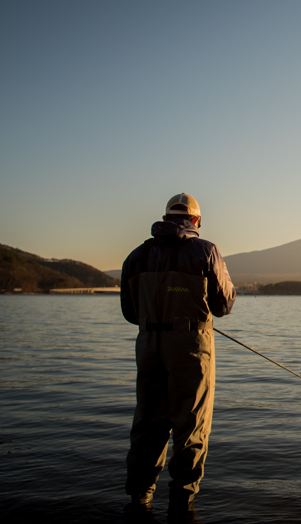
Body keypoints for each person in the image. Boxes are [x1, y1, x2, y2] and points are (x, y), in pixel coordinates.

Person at [120, 193, 236, 517]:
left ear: (165, 218)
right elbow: (224, 305)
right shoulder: (205, 251)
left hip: (148, 347)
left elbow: (129, 312)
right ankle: (182, 503)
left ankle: (140, 499)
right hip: (191, 349)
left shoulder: (136, 257)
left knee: (148, 423)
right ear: (196, 221)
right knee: (191, 425)